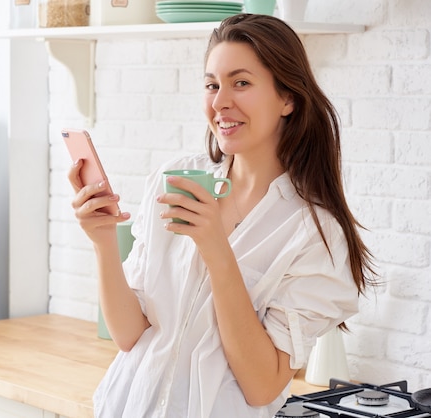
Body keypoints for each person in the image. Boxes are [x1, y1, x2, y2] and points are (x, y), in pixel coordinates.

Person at [67, 13, 375, 418]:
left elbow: (262, 384)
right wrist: (104, 240)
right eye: (212, 84)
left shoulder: (312, 232)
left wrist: (217, 249)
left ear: (288, 98)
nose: (219, 102)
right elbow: (131, 336)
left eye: (241, 83)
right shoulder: (173, 180)